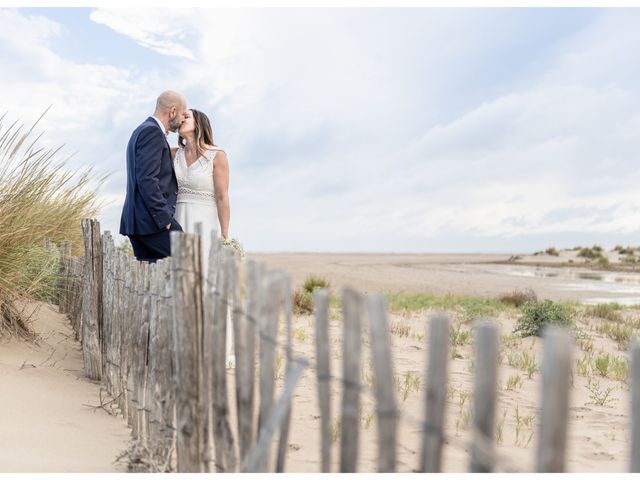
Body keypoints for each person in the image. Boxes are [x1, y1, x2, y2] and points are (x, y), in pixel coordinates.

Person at [172, 108, 233, 366]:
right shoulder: (172, 153)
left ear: (199, 122)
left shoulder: (216, 156)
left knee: (207, 283)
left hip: (206, 223)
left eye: (187, 115)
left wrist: (224, 236)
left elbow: (222, 196)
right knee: (180, 283)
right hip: (177, 221)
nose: (182, 118)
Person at [119, 91, 188, 262]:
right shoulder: (152, 132)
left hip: (139, 222)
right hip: (151, 223)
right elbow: (147, 180)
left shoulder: (141, 130)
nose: (182, 120)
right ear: (172, 111)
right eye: (182, 114)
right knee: (188, 257)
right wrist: (164, 219)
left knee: (152, 280)